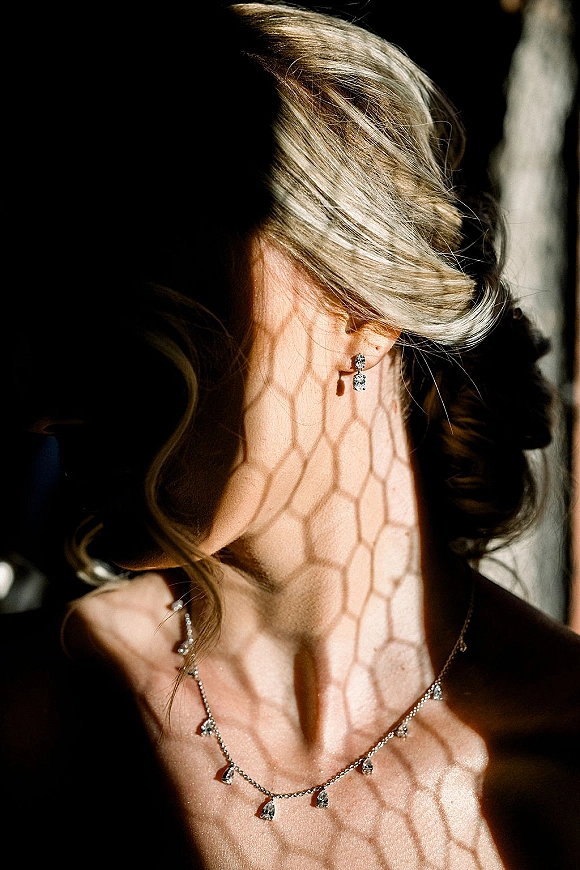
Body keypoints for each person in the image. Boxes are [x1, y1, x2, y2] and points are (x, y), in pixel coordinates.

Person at [1, 2, 579, 868]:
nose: (42, 410)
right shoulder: (31, 711)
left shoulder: (555, 773)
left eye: (136, 315)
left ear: (364, 303)